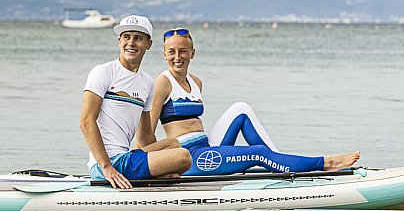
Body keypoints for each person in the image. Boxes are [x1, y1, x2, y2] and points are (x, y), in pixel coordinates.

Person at [149, 27, 361, 175]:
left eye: (183, 51)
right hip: (192, 158)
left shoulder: (196, 82)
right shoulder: (163, 82)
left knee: (241, 109)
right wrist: (154, 167)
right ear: (164, 55)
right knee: (258, 153)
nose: (178, 57)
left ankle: (277, 161)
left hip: (206, 146)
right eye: (172, 52)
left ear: (192, 53)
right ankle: (325, 163)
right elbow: (146, 135)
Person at [80, 15, 192, 189]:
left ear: (148, 44)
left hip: (125, 157)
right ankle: (139, 176)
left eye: (138, 38)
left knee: (174, 144)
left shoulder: (147, 82)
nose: (131, 43)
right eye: (126, 37)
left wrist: (160, 161)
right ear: (119, 41)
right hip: (107, 163)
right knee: (183, 157)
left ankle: (146, 176)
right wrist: (107, 167)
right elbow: (86, 122)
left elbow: (146, 136)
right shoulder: (103, 72)